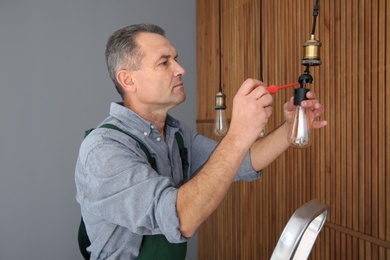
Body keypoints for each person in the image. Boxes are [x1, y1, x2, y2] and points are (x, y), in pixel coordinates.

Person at [75, 23, 327, 259]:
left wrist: (289, 130)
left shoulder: (177, 134)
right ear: (128, 80)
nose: (180, 69)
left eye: (176, 58)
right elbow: (180, 218)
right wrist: (238, 133)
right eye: (164, 63)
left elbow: (240, 161)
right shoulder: (103, 150)